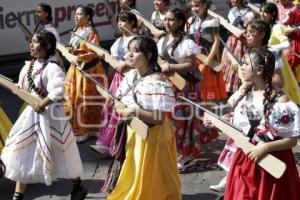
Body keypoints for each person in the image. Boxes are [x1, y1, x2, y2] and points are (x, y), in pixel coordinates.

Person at [1, 30, 86, 200]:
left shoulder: (54, 68)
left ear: (47, 46)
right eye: (31, 41)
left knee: (63, 153)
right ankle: (18, 196)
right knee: (23, 153)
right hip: (31, 117)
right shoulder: (29, 66)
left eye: (35, 42)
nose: (31, 45)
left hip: (52, 118)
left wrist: (42, 103)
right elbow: (23, 87)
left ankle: (77, 185)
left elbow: (57, 92)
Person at [102, 36, 181, 200]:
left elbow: (159, 118)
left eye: (136, 51)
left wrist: (134, 111)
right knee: (134, 170)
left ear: (149, 55)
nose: (129, 55)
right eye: (129, 50)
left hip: (154, 136)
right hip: (135, 132)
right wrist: (114, 100)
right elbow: (124, 100)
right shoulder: (132, 75)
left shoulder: (156, 82)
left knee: (152, 177)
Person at [221, 48, 300, 200]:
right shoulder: (244, 93)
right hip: (245, 158)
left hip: (271, 162)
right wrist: (220, 121)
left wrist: (265, 147)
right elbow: (240, 123)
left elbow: (292, 140)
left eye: (245, 63)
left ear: (259, 69)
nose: (241, 67)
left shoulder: (281, 102)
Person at [157, 8, 215, 171]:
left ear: (180, 22)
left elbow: (190, 64)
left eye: (171, 20)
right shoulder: (162, 40)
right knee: (170, 120)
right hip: (168, 86)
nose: (167, 23)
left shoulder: (187, 42)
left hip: (185, 87)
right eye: (166, 20)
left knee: (185, 120)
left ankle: (188, 155)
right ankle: (176, 152)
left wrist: (170, 66)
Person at [91, 11, 137, 155]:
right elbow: (113, 63)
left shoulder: (137, 40)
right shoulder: (118, 41)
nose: (120, 24)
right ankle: (108, 142)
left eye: (124, 21)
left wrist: (126, 65)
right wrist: (109, 76)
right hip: (117, 78)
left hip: (131, 78)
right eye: (119, 21)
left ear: (132, 23)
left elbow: (139, 61)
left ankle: (119, 144)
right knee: (112, 108)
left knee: (123, 109)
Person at [64, 6, 107, 142]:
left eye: (80, 14)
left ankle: (89, 130)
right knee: (73, 98)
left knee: (87, 100)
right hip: (76, 70)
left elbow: (92, 53)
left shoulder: (91, 32)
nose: (76, 17)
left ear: (88, 17)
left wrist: (75, 55)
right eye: (75, 14)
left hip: (89, 71)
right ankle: (76, 128)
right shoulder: (76, 30)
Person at [186, 0, 227, 102]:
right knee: (194, 89)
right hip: (192, 58)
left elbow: (216, 42)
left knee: (206, 91)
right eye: (192, 6)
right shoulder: (190, 21)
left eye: (197, 6)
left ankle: (207, 114)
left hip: (206, 58)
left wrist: (209, 58)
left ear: (204, 5)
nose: (194, 9)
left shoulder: (212, 20)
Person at [260, 2, 300, 104]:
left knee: (283, 89)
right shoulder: (265, 26)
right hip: (268, 62)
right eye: (261, 11)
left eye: (265, 12)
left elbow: (286, 44)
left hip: (278, 64)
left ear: (273, 13)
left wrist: (270, 47)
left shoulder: (277, 27)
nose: (262, 14)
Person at [222, 0, 255, 95]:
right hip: (232, 40)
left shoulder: (249, 13)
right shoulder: (231, 11)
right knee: (229, 64)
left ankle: (242, 88)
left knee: (240, 64)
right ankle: (229, 89)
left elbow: (248, 29)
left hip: (243, 41)